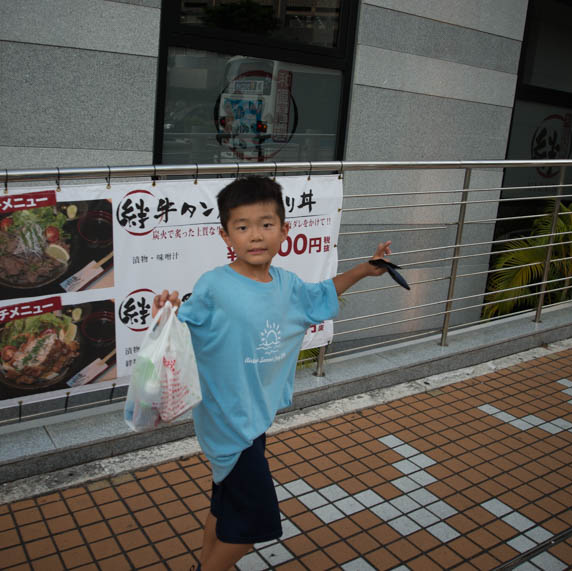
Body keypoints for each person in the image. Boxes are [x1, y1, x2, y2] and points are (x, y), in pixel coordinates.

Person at [152, 175, 392, 571]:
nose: (255, 235)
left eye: (266, 224)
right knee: (250, 527)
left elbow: (322, 294)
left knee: (225, 507)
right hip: (228, 422)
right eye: (242, 227)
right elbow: (177, 327)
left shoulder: (289, 286)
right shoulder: (214, 285)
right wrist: (167, 307)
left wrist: (366, 269)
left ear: (285, 230)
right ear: (225, 235)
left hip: (256, 419)